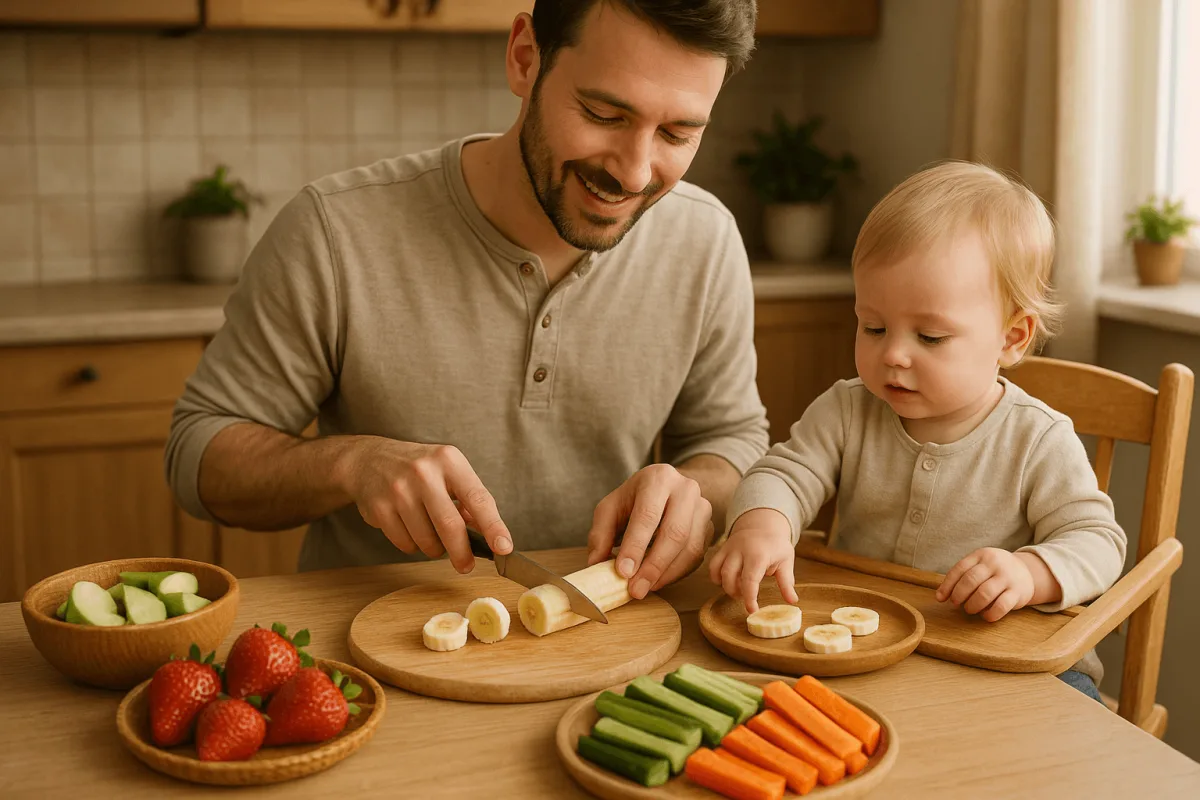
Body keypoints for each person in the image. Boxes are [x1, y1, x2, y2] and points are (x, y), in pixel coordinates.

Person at [164, 0, 769, 601]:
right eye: (604, 113)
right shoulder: (333, 233)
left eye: (676, 133)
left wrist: (698, 491)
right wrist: (350, 464)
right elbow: (199, 456)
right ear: (525, 58)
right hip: (371, 655)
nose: (635, 174)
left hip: (607, 647)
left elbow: (732, 438)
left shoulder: (705, 240)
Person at [709, 161, 1126, 701]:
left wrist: (1029, 574)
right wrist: (762, 522)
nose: (893, 355)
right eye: (873, 327)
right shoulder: (847, 409)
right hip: (873, 644)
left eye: (929, 336)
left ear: (1012, 338)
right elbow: (784, 472)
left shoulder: (1038, 440)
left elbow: (1099, 542)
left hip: (1004, 660)